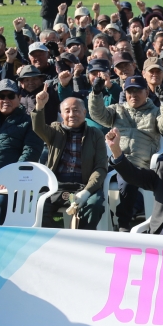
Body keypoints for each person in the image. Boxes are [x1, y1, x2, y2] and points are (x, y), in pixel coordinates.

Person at [89, 74, 163, 231]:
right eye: (130, 91)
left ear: (146, 93)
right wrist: (96, 93)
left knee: (128, 179)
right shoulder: (118, 109)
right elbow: (98, 114)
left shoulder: (155, 111)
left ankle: (123, 223)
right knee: (92, 174)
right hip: (112, 159)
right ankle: (99, 216)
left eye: (138, 91)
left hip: (138, 162)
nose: (133, 95)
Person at [32, 90, 107, 230]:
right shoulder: (55, 130)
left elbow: (100, 167)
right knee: (37, 205)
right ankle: (59, 240)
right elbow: (38, 128)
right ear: (61, 114)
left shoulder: (95, 134)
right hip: (57, 186)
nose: (72, 114)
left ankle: (82, 240)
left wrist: (87, 192)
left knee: (94, 205)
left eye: (76, 110)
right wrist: (40, 106)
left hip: (83, 185)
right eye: (67, 111)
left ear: (84, 113)